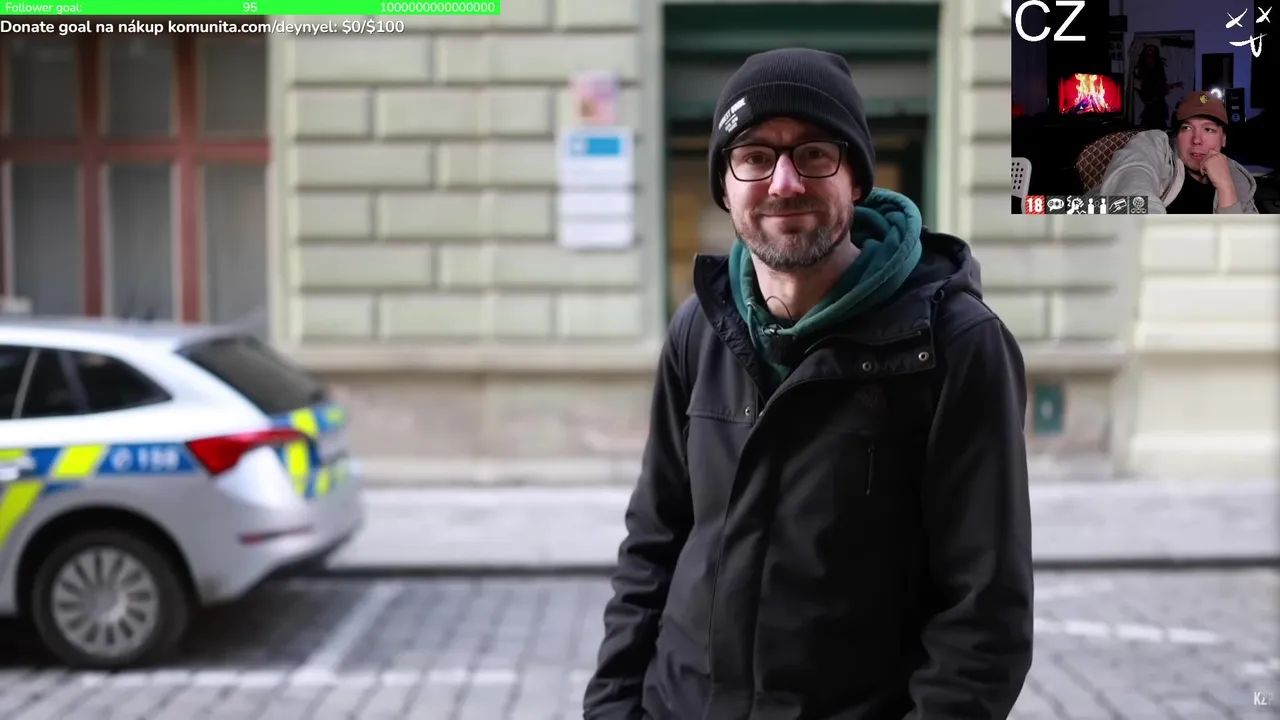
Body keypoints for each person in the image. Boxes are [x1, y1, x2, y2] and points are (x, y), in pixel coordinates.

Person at [583, 48, 1034, 720]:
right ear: (726, 186)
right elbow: (653, 545)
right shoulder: (699, 328)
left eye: (815, 154)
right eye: (754, 157)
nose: (784, 182)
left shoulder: (956, 345)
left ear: (856, 179)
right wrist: (613, 708)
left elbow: (984, 614)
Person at [1089, 90, 1259, 214]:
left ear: (1223, 139)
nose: (1197, 139)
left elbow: (1242, 244)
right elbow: (1133, 177)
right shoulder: (1155, 147)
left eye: (1208, 129)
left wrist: (1226, 187)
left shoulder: (1238, 179)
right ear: (1176, 135)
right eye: (1187, 128)